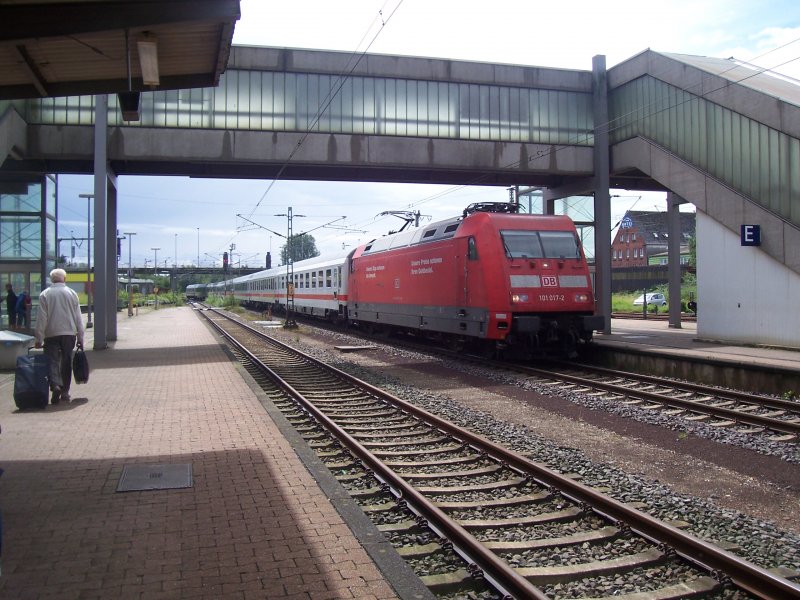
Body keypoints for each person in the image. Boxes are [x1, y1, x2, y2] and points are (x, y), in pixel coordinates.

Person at [34, 269, 85, 404]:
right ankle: (65, 391)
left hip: (51, 333)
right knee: (66, 362)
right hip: (69, 333)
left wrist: (38, 338)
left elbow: (41, 318)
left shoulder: (45, 294)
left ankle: (55, 384)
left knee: (52, 361)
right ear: (65, 279)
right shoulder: (72, 293)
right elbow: (78, 318)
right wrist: (80, 337)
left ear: (51, 280)